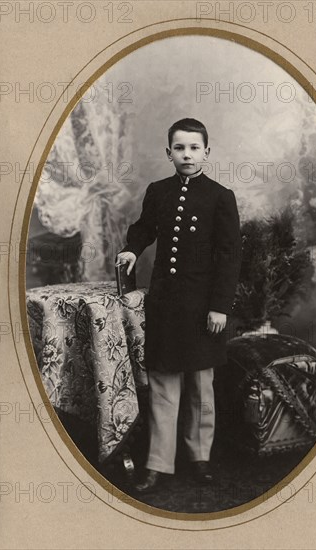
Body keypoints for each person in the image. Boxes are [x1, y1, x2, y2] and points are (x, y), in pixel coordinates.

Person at [116, 118, 242, 493]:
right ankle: (157, 463)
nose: (186, 154)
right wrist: (130, 249)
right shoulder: (158, 191)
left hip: (204, 309)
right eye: (179, 148)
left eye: (194, 148)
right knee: (164, 385)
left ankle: (200, 457)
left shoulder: (220, 196)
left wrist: (220, 306)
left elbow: (230, 254)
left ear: (207, 151)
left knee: (202, 387)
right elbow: (144, 228)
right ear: (167, 152)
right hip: (167, 307)